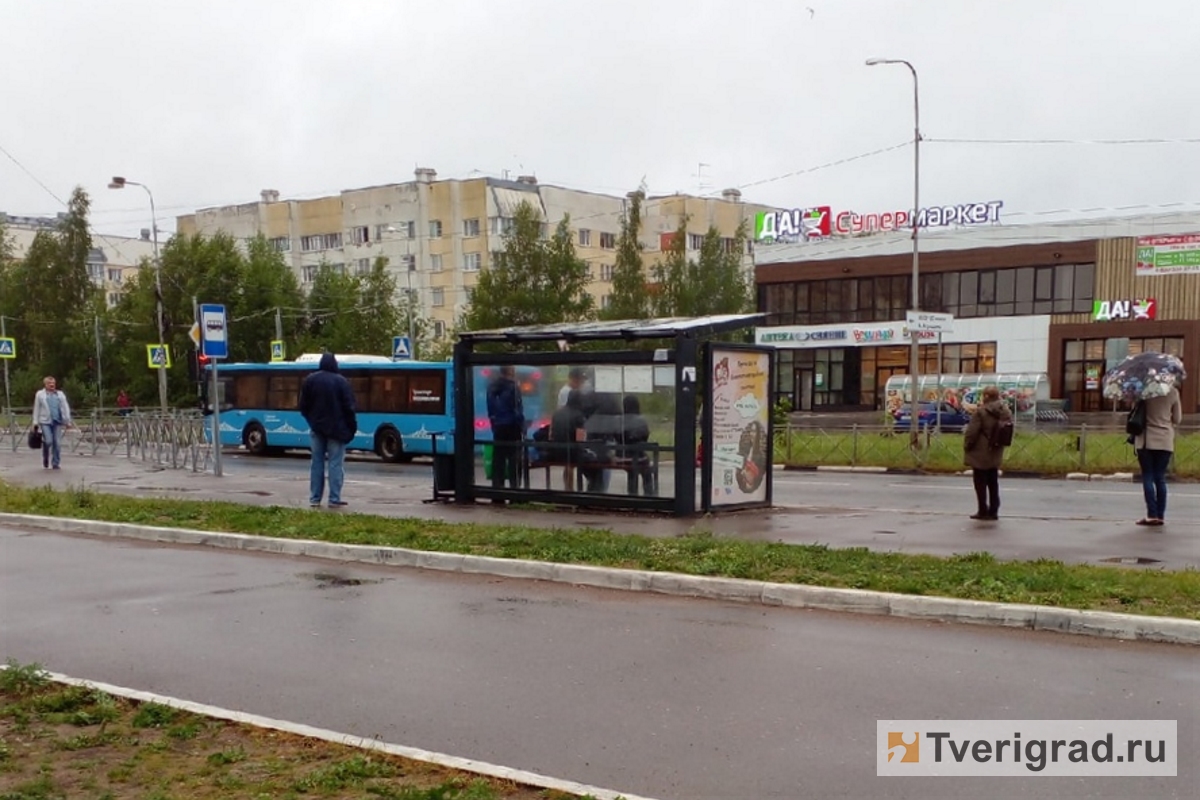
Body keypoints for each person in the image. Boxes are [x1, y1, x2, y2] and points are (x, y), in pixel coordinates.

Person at [298, 353, 357, 509]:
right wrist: (351, 428)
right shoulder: (341, 382)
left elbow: (303, 406)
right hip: (337, 430)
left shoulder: (310, 380)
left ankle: (315, 498)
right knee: (335, 464)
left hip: (316, 428)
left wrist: (312, 421)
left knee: (316, 463)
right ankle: (334, 498)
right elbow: (349, 408)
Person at [1132, 386, 1183, 527]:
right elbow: (1178, 419)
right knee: (1160, 478)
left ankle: (1151, 515)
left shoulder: (1143, 391)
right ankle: (1160, 516)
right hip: (1165, 440)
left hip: (1146, 441)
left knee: (1148, 476)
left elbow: (1135, 413)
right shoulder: (1173, 392)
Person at [962, 385, 1012, 520]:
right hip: (996, 449)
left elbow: (972, 433)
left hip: (980, 451)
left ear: (986, 397)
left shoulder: (981, 412)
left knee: (980, 482)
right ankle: (994, 510)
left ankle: (982, 510)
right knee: (993, 481)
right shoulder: (1005, 410)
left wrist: (967, 446)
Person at [486, 366, 525, 498]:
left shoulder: (492, 387)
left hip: (498, 427)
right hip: (512, 426)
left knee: (499, 459)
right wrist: (522, 425)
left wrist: (494, 423)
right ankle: (515, 491)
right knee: (514, 460)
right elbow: (517, 409)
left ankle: (497, 492)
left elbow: (491, 409)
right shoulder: (513, 387)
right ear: (511, 372)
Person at [32, 376, 73, 470]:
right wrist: (35, 422)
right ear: (45, 384)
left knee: (57, 443)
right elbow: (36, 408)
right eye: (49, 384)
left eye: (53, 383)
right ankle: (45, 456)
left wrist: (67, 421)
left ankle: (56, 463)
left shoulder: (60, 394)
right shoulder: (40, 394)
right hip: (45, 421)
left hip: (57, 422)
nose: (52, 385)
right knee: (49, 441)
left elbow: (65, 408)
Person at [550, 388, 587, 490]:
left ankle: (567, 487)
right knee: (573, 462)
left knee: (568, 464)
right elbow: (580, 438)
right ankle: (570, 490)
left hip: (555, 451)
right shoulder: (579, 415)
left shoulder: (557, 413)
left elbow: (551, 434)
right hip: (571, 452)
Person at [620, 395, 655, 496]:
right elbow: (645, 435)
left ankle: (632, 493)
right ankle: (649, 494)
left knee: (632, 472)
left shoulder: (620, 419)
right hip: (637, 455)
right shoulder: (640, 420)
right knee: (646, 472)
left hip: (622, 454)